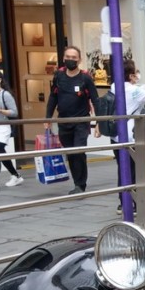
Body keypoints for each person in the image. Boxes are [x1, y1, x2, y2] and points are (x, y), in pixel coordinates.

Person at [45, 45, 98, 195]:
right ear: (63, 58)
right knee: (70, 153)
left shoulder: (85, 78)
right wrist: (48, 117)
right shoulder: (58, 76)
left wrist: (99, 121)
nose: (70, 60)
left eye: (73, 58)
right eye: (68, 57)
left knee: (78, 152)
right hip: (63, 121)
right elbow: (53, 96)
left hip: (81, 121)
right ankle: (77, 183)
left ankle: (81, 185)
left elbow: (95, 99)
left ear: (79, 60)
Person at [117, 59, 145, 211]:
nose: (138, 74)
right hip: (131, 136)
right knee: (135, 170)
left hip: (116, 134)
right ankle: (135, 202)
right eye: (136, 72)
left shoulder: (115, 86)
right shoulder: (133, 91)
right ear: (131, 76)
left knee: (122, 169)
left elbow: (140, 88)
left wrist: (144, 86)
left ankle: (123, 201)